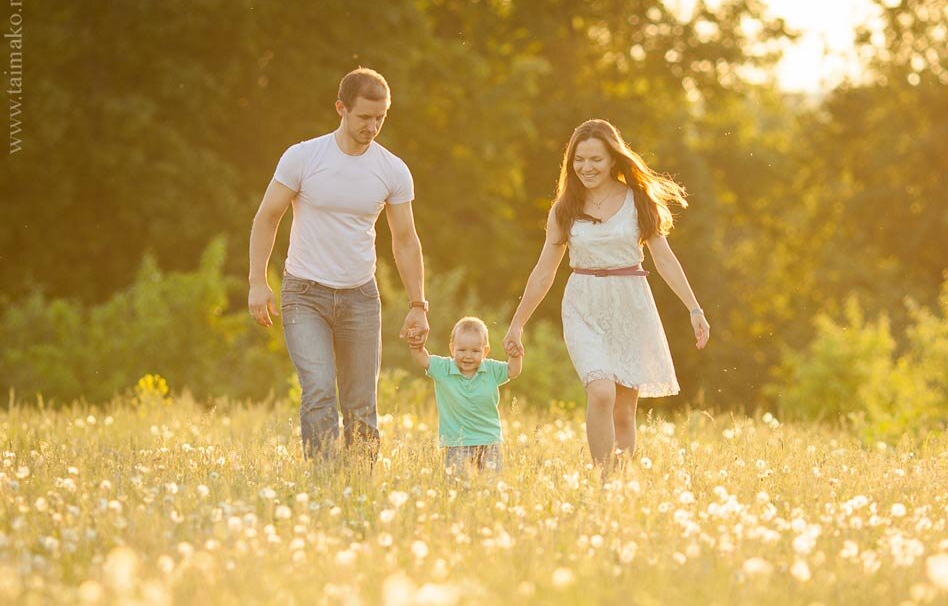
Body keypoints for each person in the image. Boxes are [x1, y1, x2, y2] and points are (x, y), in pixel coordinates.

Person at [503, 119, 709, 470]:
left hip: (631, 303)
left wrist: (694, 308)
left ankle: (618, 487)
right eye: (579, 160)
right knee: (601, 392)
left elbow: (664, 258)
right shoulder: (564, 209)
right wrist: (517, 324)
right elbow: (544, 272)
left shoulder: (638, 201)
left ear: (613, 159)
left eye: (595, 159)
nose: (586, 167)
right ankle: (603, 481)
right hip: (584, 303)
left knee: (625, 413)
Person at [247, 67, 431, 461]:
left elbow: (405, 240)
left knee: (361, 403)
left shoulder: (392, 170)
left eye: (381, 117)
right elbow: (267, 217)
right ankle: (326, 482)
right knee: (318, 390)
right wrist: (257, 281)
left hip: (360, 299)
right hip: (304, 294)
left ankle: (358, 486)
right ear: (341, 109)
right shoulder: (303, 157)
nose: (373, 126)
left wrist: (418, 304)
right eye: (365, 116)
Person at [410, 317, 522, 474]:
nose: (468, 356)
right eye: (462, 350)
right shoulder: (443, 368)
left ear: (485, 351)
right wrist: (415, 341)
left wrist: (515, 354)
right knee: (458, 486)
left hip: (489, 441)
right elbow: (422, 358)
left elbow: (513, 371)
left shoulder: (491, 369)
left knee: (490, 486)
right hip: (456, 443)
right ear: (452, 348)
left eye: (475, 351)